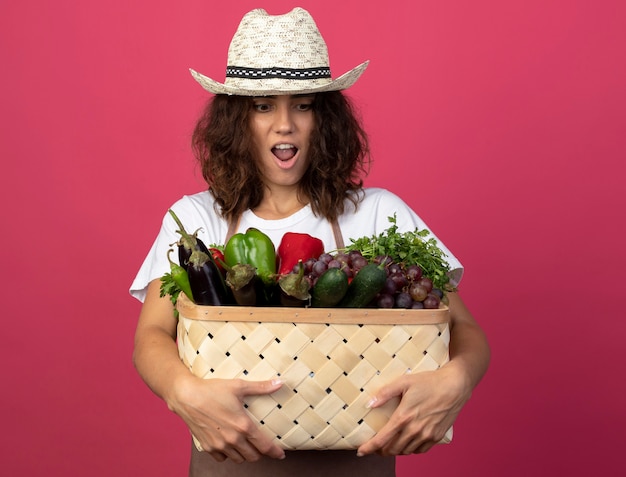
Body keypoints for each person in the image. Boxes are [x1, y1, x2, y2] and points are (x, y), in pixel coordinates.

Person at [130, 7, 490, 477]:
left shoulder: (380, 212)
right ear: (236, 122)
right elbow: (151, 337)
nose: (285, 124)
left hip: (359, 462)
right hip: (231, 462)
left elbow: (467, 331)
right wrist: (185, 392)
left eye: (303, 104)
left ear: (326, 118)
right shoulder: (195, 218)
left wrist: (456, 381)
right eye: (263, 107)